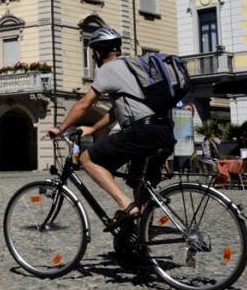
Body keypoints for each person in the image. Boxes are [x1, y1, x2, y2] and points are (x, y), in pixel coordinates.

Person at [47, 27, 176, 231]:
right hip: (164, 131)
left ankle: (125, 205)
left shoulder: (108, 69)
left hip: (141, 132)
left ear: (97, 53)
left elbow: (84, 104)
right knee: (138, 184)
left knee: (87, 158)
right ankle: (138, 244)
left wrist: (61, 129)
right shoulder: (133, 67)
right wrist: (91, 128)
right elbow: (116, 112)